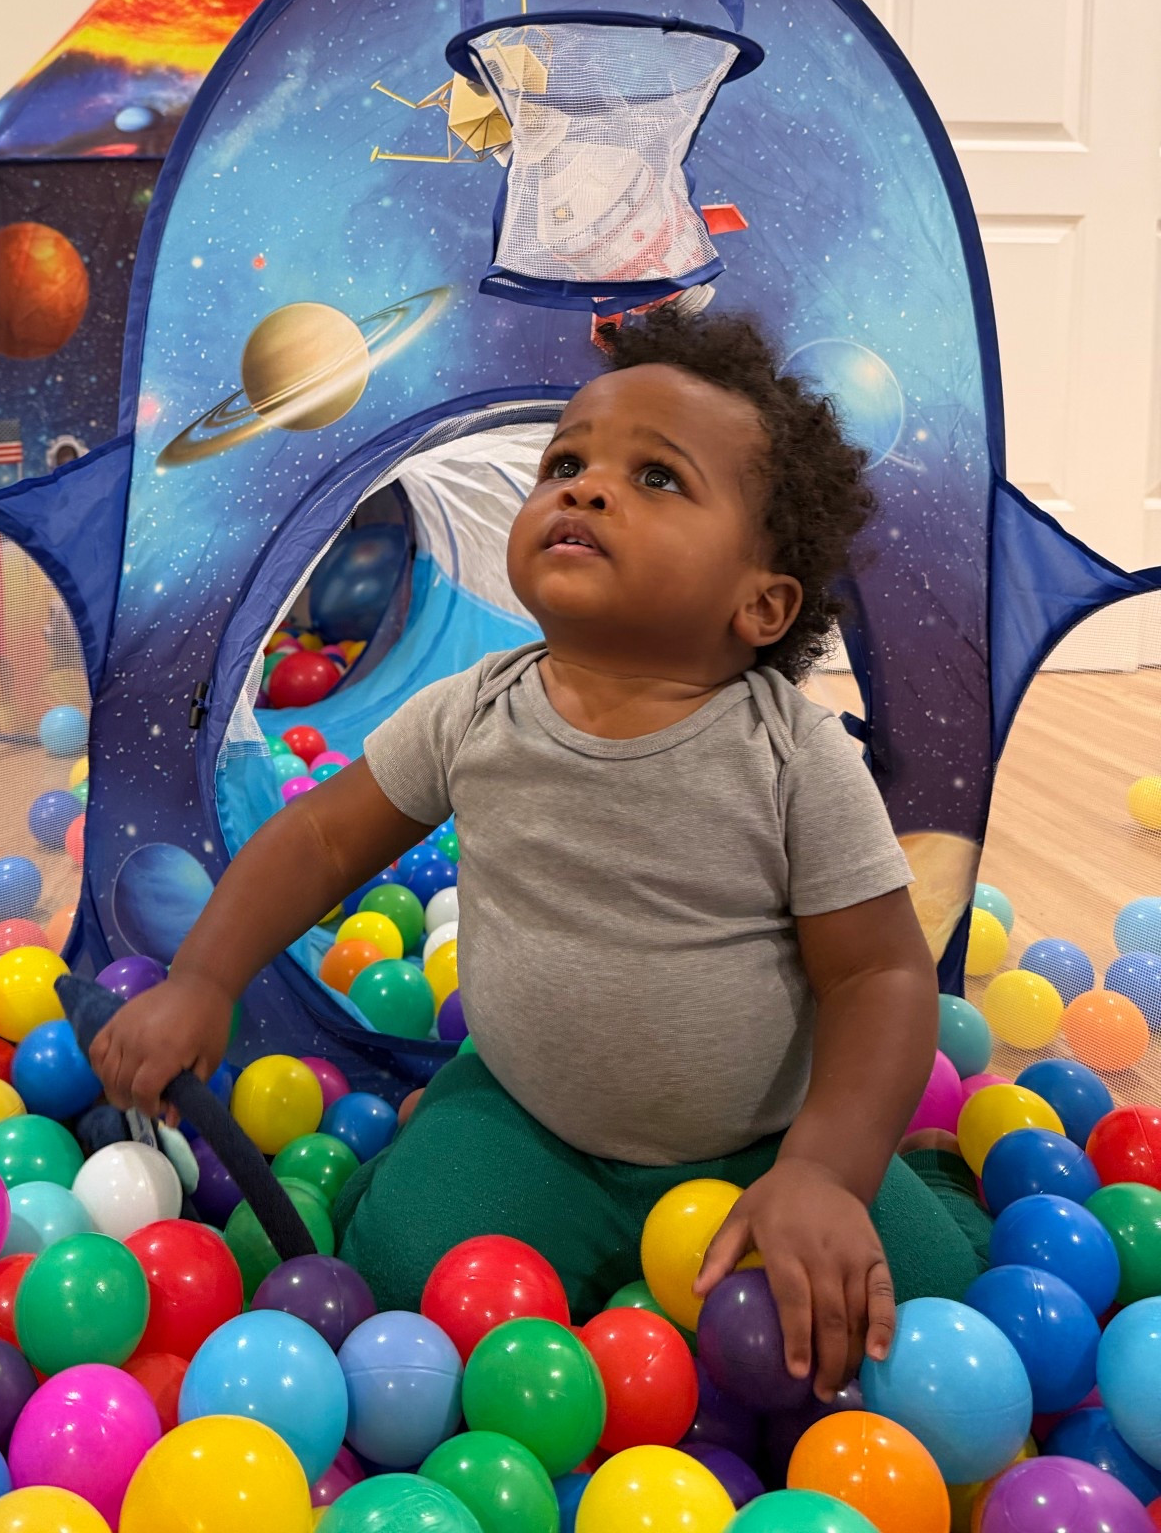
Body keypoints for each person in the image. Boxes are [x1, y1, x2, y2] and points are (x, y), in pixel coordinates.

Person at [90, 311, 988, 1396]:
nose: (585, 485)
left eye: (658, 477)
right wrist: (205, 977)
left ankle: (930, 1176)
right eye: (566, 459)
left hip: (768, 1139)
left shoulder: (790, 754)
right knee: (406, 1293)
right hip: (535, 1121)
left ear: (761, 601)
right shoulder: (475, 709)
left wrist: (829, 1170)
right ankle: (437, 1136)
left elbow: (881, 971)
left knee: (924, 1307)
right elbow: (323, 836)